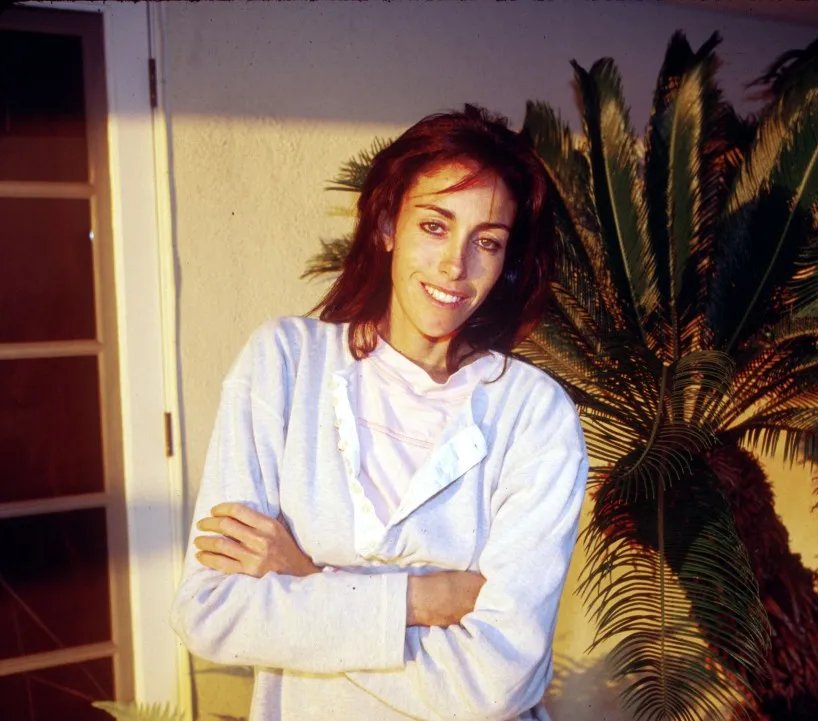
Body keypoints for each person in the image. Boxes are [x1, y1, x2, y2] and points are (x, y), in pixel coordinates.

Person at [171, 105, 588, 721]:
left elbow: (499, 682)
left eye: (487, 242)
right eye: (435, 226)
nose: (455, 266)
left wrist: (305, 577)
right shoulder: (285, 363)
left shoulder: (534, 414)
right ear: (389, 224)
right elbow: (211, 613)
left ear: (508, 262)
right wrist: (421, 599)